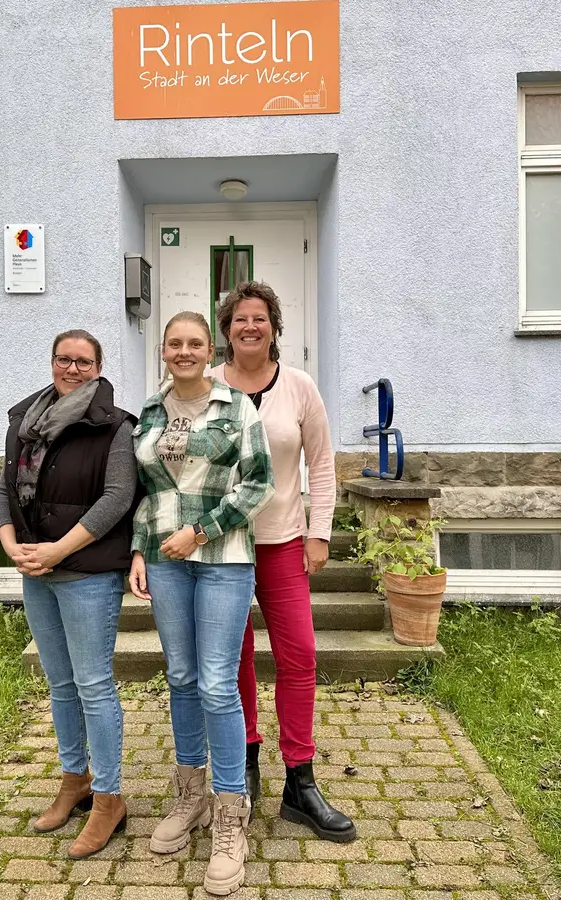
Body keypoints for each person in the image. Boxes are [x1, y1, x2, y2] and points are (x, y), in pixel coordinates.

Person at [129, 311, 275, 897]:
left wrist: (203, 530)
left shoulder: (237, 407)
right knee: (182, 676)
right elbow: (146, 491)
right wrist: (141, 551)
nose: (184, 351)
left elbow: (258, 482)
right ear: (163, 351)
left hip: (224, 558)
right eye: (174, 344)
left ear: (208, 349)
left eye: (194, 343)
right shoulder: (150, 410)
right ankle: (190, 794)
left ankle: (230, 813)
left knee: (217, 681)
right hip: (163, 559)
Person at [215, 281, 356, 843]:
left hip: (282, 542)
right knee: (237, 657)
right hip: (221, 547)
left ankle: (300, 780)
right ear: (225, 330)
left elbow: (321, 466)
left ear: (274, 327)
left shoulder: (298, 387)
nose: (250, 326)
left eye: (260, 318)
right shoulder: (204, 386)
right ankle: (245, 764)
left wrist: (318, 534)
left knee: (298, 655)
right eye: (239, 319)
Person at [0, 329, 137, 859]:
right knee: (60, 685)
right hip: (36, 570)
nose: (72, 369)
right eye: (64, 359)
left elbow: (118, 498)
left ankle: (108, 797)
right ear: (51, 361)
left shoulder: (115, 426)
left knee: (94, 685)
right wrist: (14, 545)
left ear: (98, 368)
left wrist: (57, 550)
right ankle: (74, 779)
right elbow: (4, 490)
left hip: (87, 573)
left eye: (84, 362)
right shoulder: (24, 420)